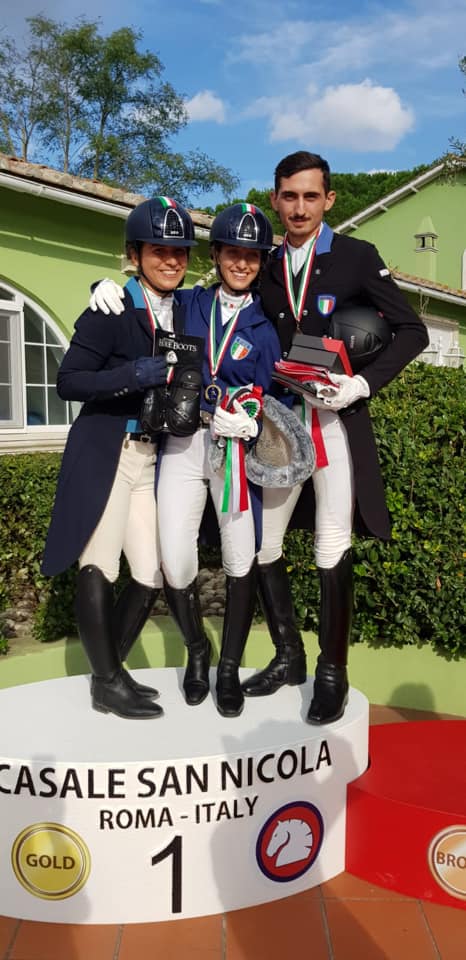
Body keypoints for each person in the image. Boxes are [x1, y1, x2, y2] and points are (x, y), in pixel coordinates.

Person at [241, 151, 429, 724]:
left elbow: (413, 331)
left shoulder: (357, 257)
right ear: (274, 200)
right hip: (278, 422)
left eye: (310, 196)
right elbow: (212, 309)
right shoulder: (263, 263)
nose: (299, 208)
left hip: (335, 422)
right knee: (264, 545)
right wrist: (118, 290)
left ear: (329, 199)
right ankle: (288, 656)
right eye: (289, 196)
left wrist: (362, 384)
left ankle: (332, 672)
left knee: (330, 544)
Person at [90, 204, 282, 719]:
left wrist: (252, 420)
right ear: (215, 255)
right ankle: (199, 649)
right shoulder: (189, 303)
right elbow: (146, 299)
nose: (241, 263)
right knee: (174, 561)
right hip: (182, 442)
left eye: (252, 256)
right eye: (232, 252)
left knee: (240, 559)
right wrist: (104, 288)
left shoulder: (264, 328)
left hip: (233, 450)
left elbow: (270, 395)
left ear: (260, 263)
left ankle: (228, 668)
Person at [42, 196, 198, 719]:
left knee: (150, 572)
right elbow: (69, 382)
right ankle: (107, 681)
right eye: (159, 250)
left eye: (179, 251)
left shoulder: (185, 308)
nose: (171, 260)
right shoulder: (108, 309)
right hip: (107, 451)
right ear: (134, 255)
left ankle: (110, 673)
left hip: (151, 457)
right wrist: (130, 375)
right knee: (100, 564)